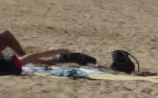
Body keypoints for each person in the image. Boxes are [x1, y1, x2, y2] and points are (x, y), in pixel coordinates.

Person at [0, 32, 138, 76]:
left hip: (10, 64)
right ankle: (49, 58)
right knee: (29, 57)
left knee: (5, 35)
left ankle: (47, 59)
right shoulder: (12, 65)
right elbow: (25, 60)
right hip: (11, 66)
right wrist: (51, 52)